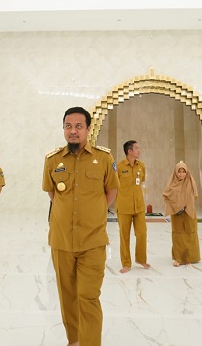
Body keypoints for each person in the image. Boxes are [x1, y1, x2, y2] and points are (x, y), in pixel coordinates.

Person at [42, 106, 119, 346]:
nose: (73, 131)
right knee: (67, 297)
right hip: (62, 240)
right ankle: (73, 340)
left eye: (78, 126)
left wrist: (95, 212)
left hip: (93, 241)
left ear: (88, 129)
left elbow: (111, 190)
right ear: (63, 129)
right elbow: (52, 193)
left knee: (88, 297)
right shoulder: (52, 160)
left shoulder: (104, 158)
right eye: (68, 126)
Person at [116, 140, 150, 273]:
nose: (139, 150)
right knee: (124, 236)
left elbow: (141, 181)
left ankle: (141, 259)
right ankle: (126, 263)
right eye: (136, 148)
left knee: (142, 234)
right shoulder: (119, 167)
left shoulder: (141, 166)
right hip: (124, 207)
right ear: (129, 151)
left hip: (139, 206)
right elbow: (113, 184)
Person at [163, 161, 200, 267]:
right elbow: (166, 196)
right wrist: (176, 206)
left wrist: (185, 206)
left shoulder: (190, 181)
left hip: (189, 211)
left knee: (190, 234)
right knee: (178, 235)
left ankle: (189, 258)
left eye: (184, 172)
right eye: (179, 172)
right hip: (176, 213)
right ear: (176, 172)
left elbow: (194, 195)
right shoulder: (172, 182)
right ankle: (179, 258)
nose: (181, 174)